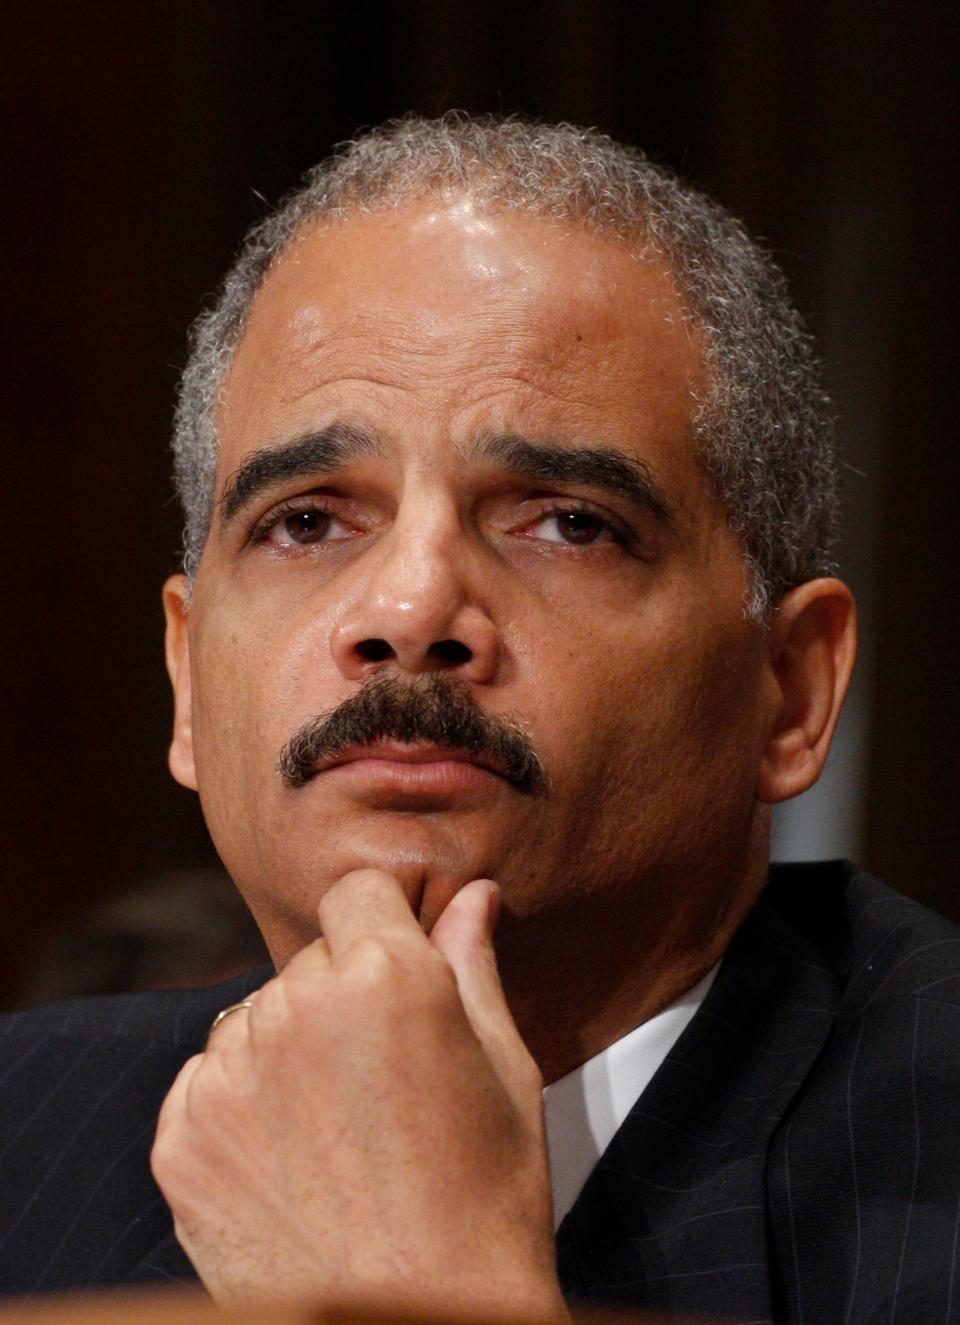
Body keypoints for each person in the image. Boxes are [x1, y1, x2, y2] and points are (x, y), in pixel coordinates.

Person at [1, 115, 958, 1322]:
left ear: (791, 691)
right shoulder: (19, 1134)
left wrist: (432, 1291)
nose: (408, 609)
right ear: (189, 680)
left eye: (566, 520)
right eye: (307, 520)